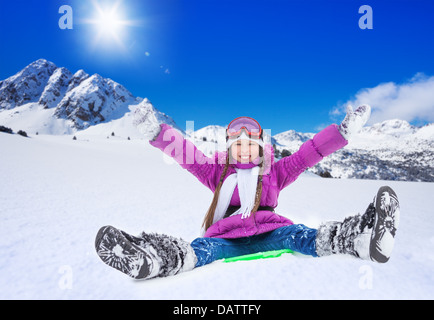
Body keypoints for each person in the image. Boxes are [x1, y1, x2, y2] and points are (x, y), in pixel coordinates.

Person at [95, 105, 400, 280]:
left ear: (259, 146)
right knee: (201, 251)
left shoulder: (276, 172)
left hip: (271, 232)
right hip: (225, 238)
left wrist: (341, 133)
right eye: (236, 145)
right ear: (230, 148)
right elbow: (187, 154)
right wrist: (157, 133)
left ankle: (361, 239)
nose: (242, 149)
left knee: (302, 236)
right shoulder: (215, 172)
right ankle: (152, 258)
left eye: (248, 144)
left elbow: (309, 154)